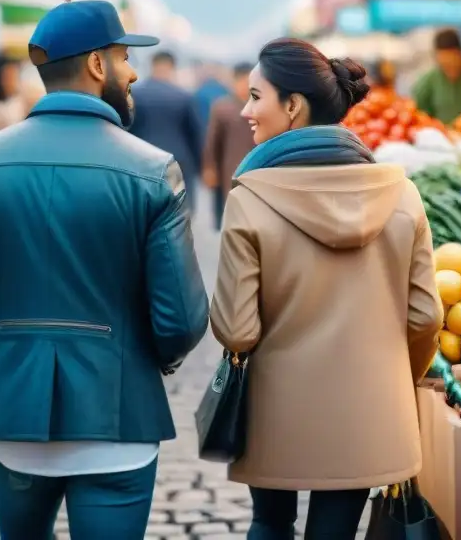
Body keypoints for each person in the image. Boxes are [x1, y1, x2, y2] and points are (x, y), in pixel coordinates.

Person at [0, 0, 210, 540]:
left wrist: (4, 346)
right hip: (117, 418)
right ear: (97, 65)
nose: (133, 71)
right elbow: (182, 322)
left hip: (15, 420)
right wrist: (143, 356)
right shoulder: (151, 171)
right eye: (124, 57)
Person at [209, 37, 444, 540]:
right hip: (371, 407)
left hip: (275, 409)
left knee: (269, 524)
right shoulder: (403, 194)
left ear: (293, 106)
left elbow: (235, 329)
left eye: (255, 97)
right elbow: (425, 318)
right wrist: (395, 375)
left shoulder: (250, 199)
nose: (246, 110)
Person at [129, 52, 204, 210]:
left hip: (142, 160)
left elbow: (127, 129)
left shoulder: (135, 94)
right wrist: (200, 165)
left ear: (153, 65)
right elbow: (195, 134)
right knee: (180, 210)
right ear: (171, 67)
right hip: (178, 162)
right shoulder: (183, 96)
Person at [202, 63, 255, 228]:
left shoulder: (261, 106)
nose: (245, 87)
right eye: (242, 81)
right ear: (234, 81)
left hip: (258, 168)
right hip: (231, 169)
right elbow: (212, 141)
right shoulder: (223, 107)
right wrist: (209, 168)